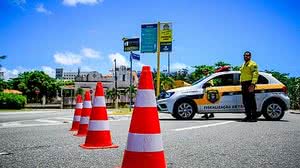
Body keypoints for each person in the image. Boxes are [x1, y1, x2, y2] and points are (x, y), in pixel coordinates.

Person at [240, 51, 259, 122]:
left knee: (251, 101)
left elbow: (255, 74)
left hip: (249, 84)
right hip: (244, 84)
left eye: (247, 55)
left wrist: (253, 84)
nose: (246, 57)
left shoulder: (252, 64)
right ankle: (248, 116)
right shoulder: (243, 64)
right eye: (245, 55)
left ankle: (254, 117)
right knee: (245, 101)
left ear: (250, 56)